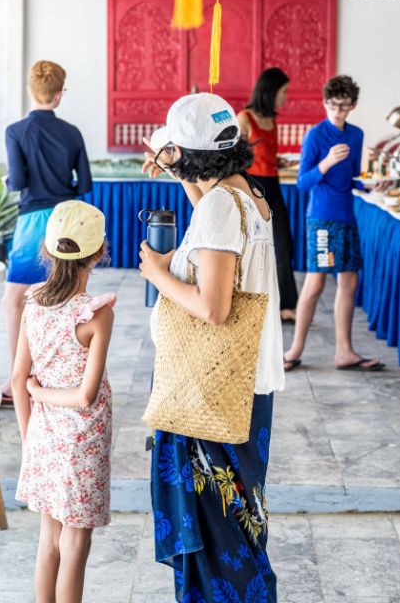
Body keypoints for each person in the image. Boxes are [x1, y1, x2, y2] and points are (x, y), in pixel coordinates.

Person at [138, 93, 282, 602]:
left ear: (186, 152)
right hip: (241, 387)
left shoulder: (222, 206)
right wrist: (179, 171)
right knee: (238, 521)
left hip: (214, 391)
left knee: (222, 533)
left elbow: (214, 307)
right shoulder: (245, 193)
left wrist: (157, 273)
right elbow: (211, 217)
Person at [10, 200, 114, 603]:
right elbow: (86, 395)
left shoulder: (33, 302)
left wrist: (29, 438)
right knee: (75, 543)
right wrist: (40, 393)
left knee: (48, 537)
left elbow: (18, 379)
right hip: (83, 440)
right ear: (99, 251)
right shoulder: (95, 315)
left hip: (43, 435)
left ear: (47, 249)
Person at [2, 60, 93, 406]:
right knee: (66, 295)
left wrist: (9, 181)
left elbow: (18, 181)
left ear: (32, 90)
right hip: (66, 218)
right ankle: (62, 376)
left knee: (14, 300)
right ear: (58, 95)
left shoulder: (15, 131)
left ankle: (17, 378)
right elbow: (84, 184)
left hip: (32, 221)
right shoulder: (72, 133)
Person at [282, 75, 383, 373]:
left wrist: (370, 185)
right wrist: (325, 162)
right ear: (325, 103)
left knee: (349, 281)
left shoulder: (356, 135)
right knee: (315, 282)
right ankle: (294, 350)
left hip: (346, 216)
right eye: (334, 105)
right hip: (322, 219)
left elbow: (350, 179)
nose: (339, 111)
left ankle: (344, 352)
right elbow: (303, 182)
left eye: (345, 106)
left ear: (353, 105)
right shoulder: (315, 136)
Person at [238, 67, 299, 323]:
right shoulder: (244, 118)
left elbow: (266, 156)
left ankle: (287, 304)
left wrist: (279, 161)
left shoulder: (272, 120)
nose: (285, 97)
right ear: (270, 91)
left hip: (273, 186)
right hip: (252, 188)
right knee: (251, 248)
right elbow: (237, 159)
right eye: (283, 92)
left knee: (284, 246)